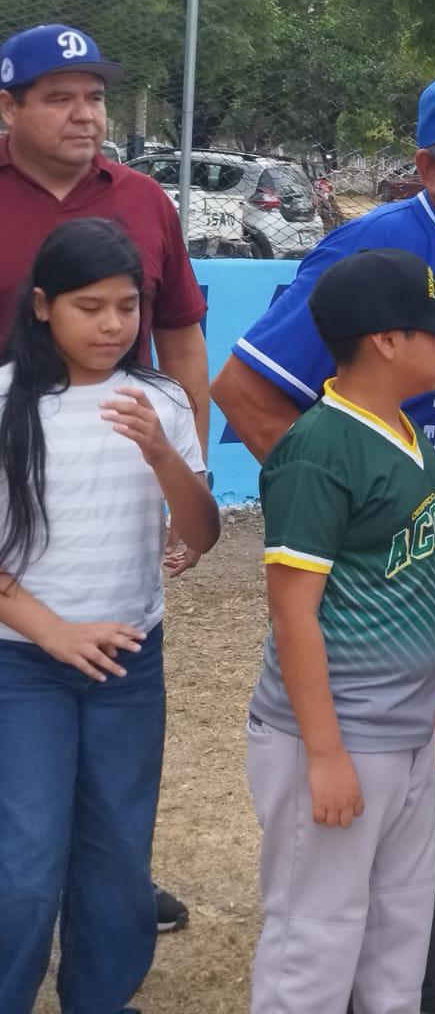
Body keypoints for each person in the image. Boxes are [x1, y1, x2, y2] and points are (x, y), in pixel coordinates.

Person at [213, 70, 435, 1014]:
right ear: (426, 166)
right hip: (376, 612)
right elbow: (250, 395)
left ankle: (432, 986)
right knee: (343, 870)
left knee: (427, 840)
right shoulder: (377, 249)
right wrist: (341, 523)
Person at [2, 23, 210, 931]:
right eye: (59, 96)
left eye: (94, 95)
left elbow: (182, 334)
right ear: (8, 108)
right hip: (13, 507)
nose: (85, 113)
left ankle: (100, 903)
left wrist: (179, 468)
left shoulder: (143, 200)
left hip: (111, 499)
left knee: (107, 795)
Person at [246, 248, 435, 1012]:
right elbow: (294, 611)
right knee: (314, 936)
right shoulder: (318, 450)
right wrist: (324, 754)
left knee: (399, 925)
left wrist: (432, 694)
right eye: (433, 330)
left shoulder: (404, 432)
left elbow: (405, 580)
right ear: (385, 340)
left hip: (405, 727)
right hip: (338, 733)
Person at [0, 218, 218, 1012]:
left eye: (127, 306)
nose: (113, 325)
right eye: (89, 306)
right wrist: (53, 631)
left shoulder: (158, 400)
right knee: (25, 864)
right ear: (42, 306)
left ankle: (101, 996)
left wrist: (164, 454)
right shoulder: (7, 405)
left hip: (129, 664)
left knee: (118, 858)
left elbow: (201, 533)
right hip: (23, 667)